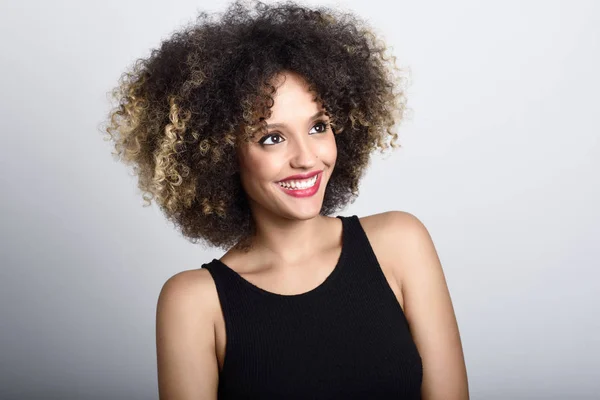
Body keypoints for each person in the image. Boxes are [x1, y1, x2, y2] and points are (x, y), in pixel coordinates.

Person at [104, 1, 469, 398]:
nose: (307, 158)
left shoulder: (400, 243)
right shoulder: (194, 303)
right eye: (271, 137)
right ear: (222, 154)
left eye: (318, 126)